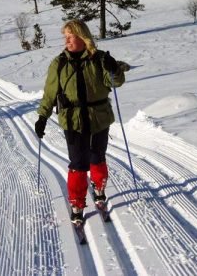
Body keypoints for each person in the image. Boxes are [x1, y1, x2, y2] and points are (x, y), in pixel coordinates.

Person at [34, 19, 128, 224]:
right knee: (78, 163)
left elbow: (116, 82)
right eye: (65, 37)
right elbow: (50, 93)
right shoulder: (59, 63)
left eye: (70, 36)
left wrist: (114, 70)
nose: (66, 41)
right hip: (73, 120)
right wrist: (42, 116)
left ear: (82, 37)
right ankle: (77, 203)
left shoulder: (99, 58)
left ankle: (99, 187)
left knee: (98, 156)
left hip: (99, 117)